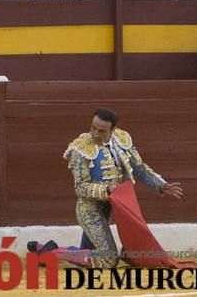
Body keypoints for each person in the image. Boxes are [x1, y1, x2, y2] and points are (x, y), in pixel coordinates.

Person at [63, 108, 184, 268]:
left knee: (88, 251)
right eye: (93, 128)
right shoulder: (80, 149)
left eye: (101, 131)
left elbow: (139, 168)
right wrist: (107, 190)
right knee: (109, 258)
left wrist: (160, 185)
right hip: (89, 208)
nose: (95, 134)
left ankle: (46, 249)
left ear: (112, 130)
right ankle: (52, 252)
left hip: (112, 207)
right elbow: (81, 188)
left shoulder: (121, 140)